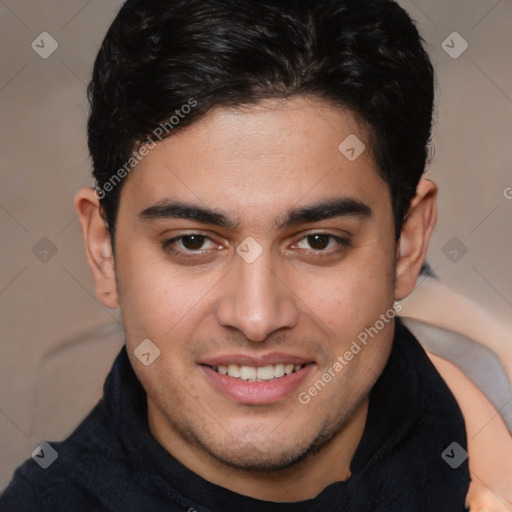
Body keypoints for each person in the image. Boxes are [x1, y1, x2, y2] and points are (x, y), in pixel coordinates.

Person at [1, 0, 511, 510]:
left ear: (408, 245)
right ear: (102, 252)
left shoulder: (481, 399)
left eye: (318, 241)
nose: (256, 317)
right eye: (193, 242)